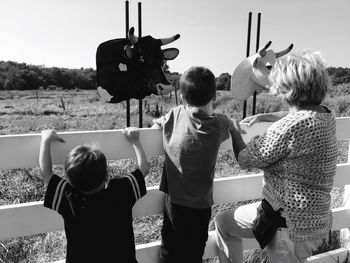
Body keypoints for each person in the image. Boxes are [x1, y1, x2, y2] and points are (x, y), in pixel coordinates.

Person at [215, 50, 338, 263]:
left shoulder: (288, 128)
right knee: (224, 222)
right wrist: (265, 116)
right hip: (317, 219)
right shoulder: (327, 115)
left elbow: (246, 159)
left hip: (289, 225)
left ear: (288, 87)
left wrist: (234, 131)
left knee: (224, 224)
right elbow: (300, 112)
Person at [152, 66, 235, 263]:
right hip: (200, 206)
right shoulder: (219, 124)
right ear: (214, 96)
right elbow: (227, 127)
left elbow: (156, 123)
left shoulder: (175, 114)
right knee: (193, 252)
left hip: (175, 203)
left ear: (182, 97)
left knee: (169, 250)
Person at [39, 127, 149, 263]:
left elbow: (46, 174)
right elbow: (144, 168)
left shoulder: (70, 198)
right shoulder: (120, 192)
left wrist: (45, 140)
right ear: (106, 174)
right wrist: (135, 141)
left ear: (70, 180)